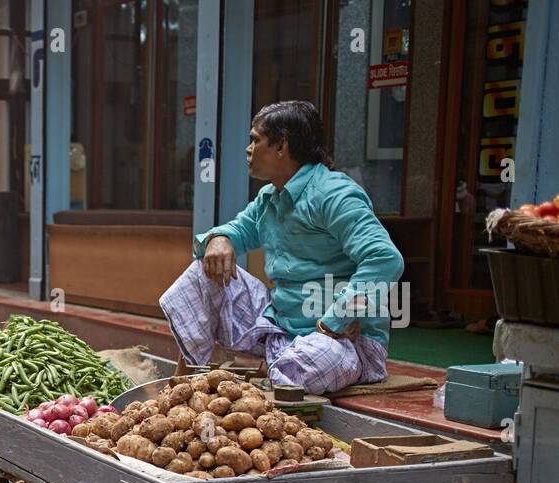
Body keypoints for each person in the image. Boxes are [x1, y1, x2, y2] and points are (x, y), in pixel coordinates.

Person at [159, 101, 403, 395]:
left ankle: (264, 374)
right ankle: (184, 384)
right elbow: (239, 230)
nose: (248, 149)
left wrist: (335, 320)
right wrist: (219, 238)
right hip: (282, 329)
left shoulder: (334, 194)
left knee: (298, 368)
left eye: (255, 140)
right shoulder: (269, 197)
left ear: (281, 146)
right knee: (203, 271)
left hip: (345, 343)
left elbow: (385, 259)